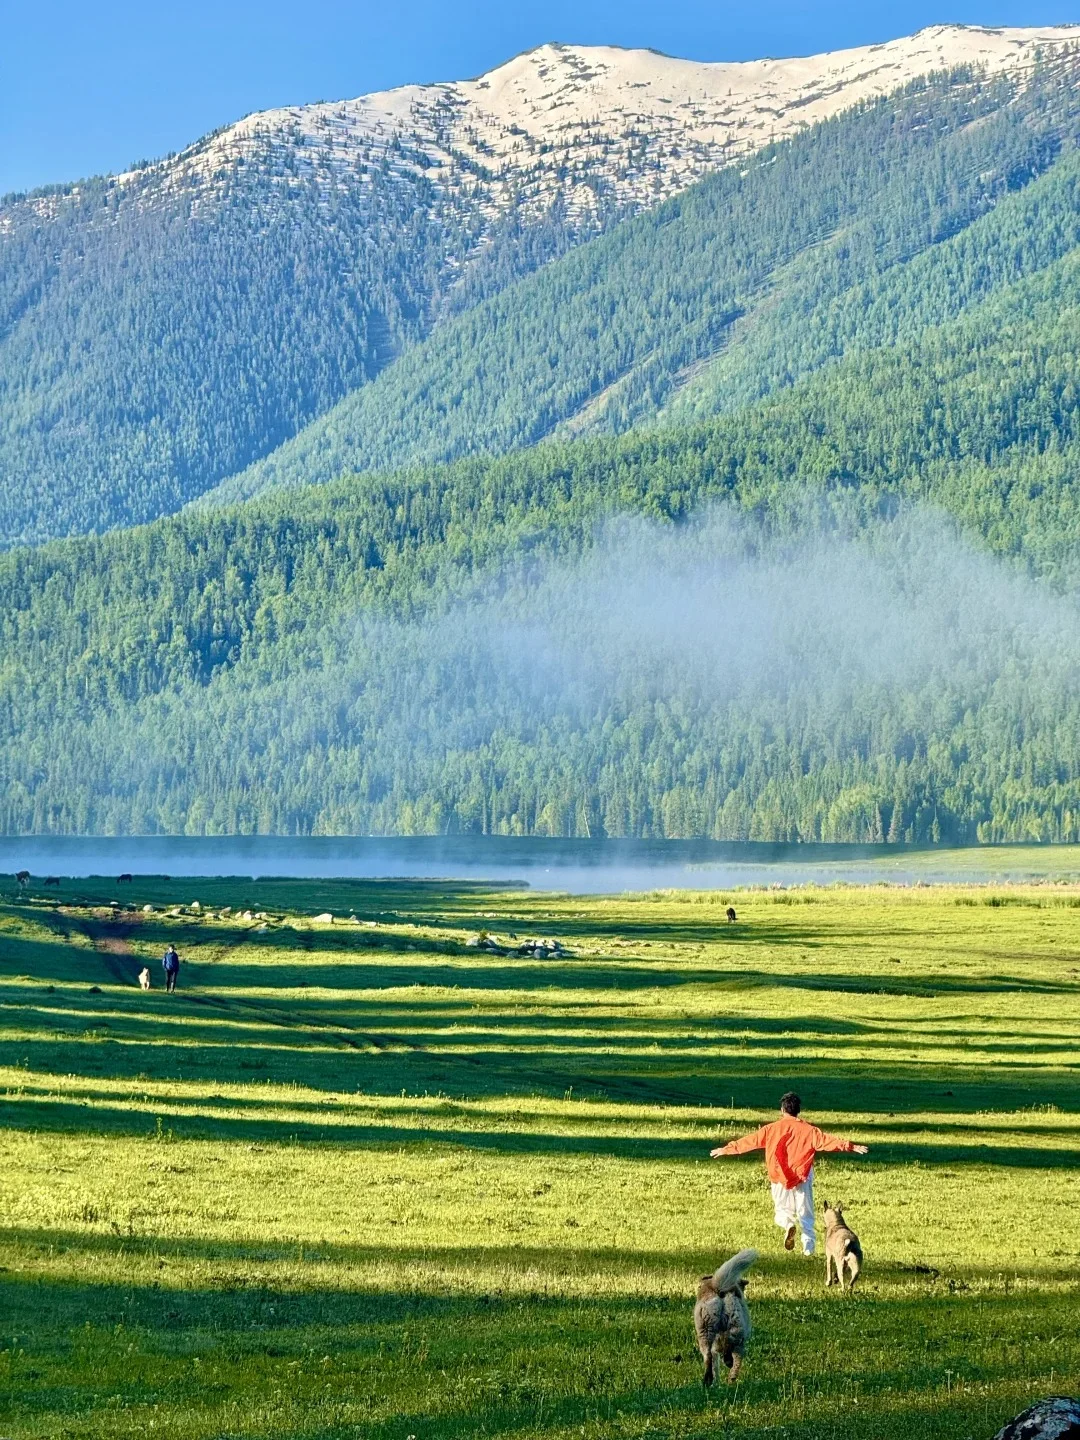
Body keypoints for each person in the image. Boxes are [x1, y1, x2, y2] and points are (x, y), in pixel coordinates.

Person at [709, 1092, 868, 1256]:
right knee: (805, 1212)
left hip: (778, 1176)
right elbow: (828, 1141)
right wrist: (850, 1146)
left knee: (782, 1210)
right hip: (802, 1176)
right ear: (798, 1110)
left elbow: (750, 1141)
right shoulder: (810, 1131)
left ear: (782, 1109)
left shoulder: (771, 1129)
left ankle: (788, 1225)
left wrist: (726, 1149)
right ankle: (808, 1247)